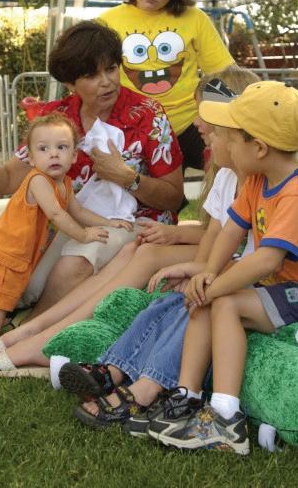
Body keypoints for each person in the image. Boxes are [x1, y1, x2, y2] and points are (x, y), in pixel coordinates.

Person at [143, 81, 298, 455]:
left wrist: (214, 286)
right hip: (281, 289)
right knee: (209, 297)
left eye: (231, 138)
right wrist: (207, 272)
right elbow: (231, 230)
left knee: (223, 301)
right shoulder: (258, 180)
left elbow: (268, 259)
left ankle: (226, 420)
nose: (224, 144)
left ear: (258, 148)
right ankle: (186, 397)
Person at [0, 20, 183, 322]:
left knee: (75, 263)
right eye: (91, 75)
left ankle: (26, 327)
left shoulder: (148, 114)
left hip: (140, 225)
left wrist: (129, 178)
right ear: (70, 83)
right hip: (77, 221)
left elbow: (173, 197)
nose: (107, 82)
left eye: (112, 69)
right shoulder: (56, 119)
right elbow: (8, 179)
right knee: (26, 269)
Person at [55, 79, 256, 430]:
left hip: (249, 282)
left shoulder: (263, 185)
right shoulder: (228, 177)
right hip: (230, 271)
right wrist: (196, 269)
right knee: (165, 303)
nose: (196, 123)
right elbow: (215, 237)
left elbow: (258, 256)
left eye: (208, 116)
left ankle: (148, 389)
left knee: (194, 306)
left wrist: (204, 274)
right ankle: (115, 368)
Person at [0, 113, 133, 348]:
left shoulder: (64, 183)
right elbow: (57, 214)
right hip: (3, 252)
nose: (53, 154)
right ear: (31, 158)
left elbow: (78, 212)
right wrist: (84, 235)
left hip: (6, 252)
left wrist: (109, 222)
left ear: (74, 155)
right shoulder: (38, 181)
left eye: (61, 147)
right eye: (43, 149)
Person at [99, 0, 258, 171]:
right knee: (153, 193)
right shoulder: (106, 23)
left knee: (233, 171)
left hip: (192, 124)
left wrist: (225, 117)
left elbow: (224, 75)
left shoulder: (194, 18)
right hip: (136, 129)